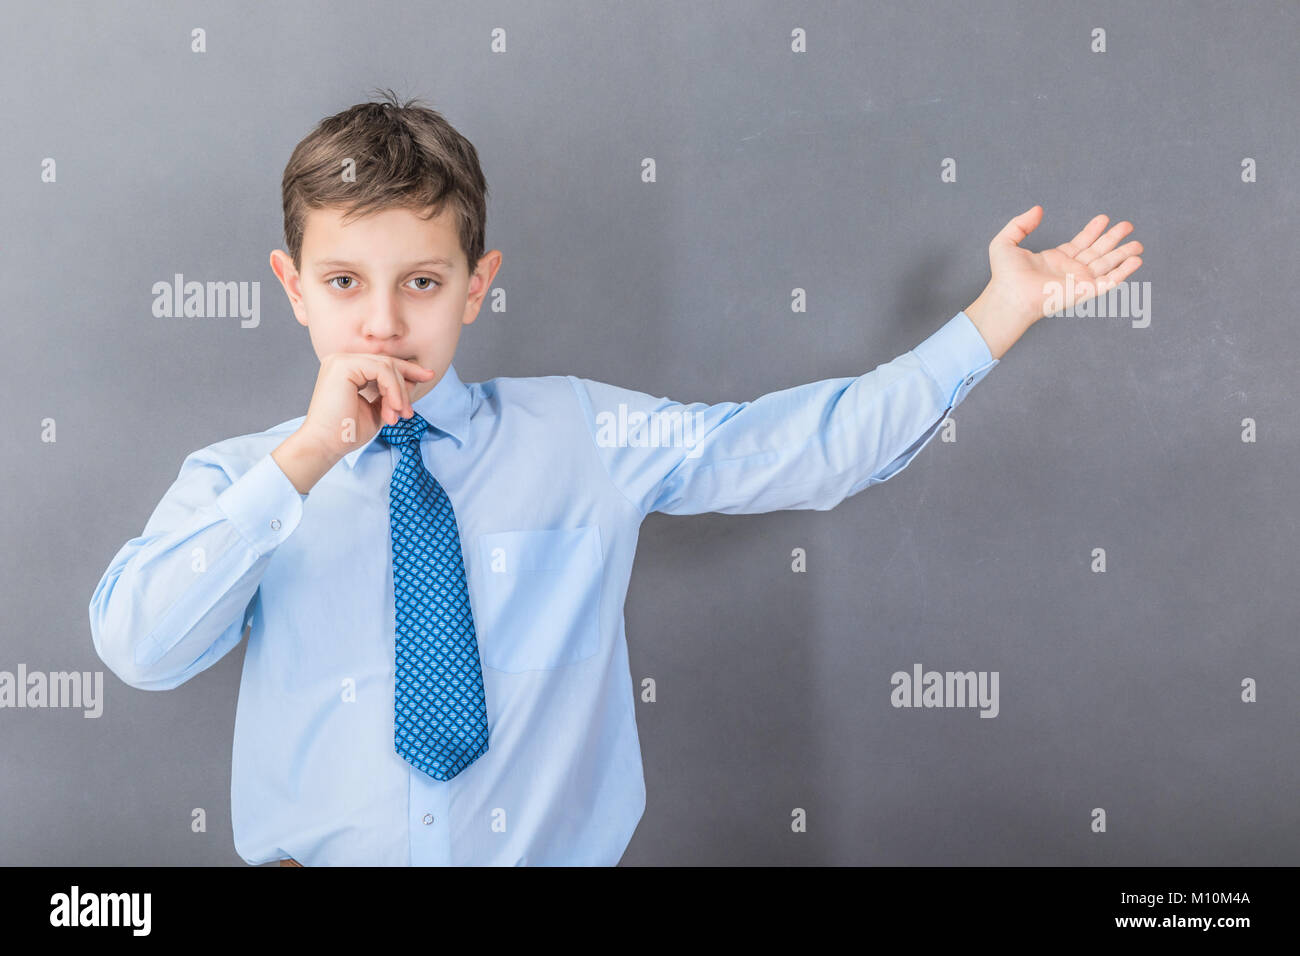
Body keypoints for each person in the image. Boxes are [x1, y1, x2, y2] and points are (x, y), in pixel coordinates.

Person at [88, 89, 1144, 866]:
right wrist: (309, 457)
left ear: (476, 285)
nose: (382, 321)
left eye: (422, 281)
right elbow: (140, 647)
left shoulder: (583, 434)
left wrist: (999, 312)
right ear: (293, 287)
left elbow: (808, 447)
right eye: (343, 282)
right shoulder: (242, 480)